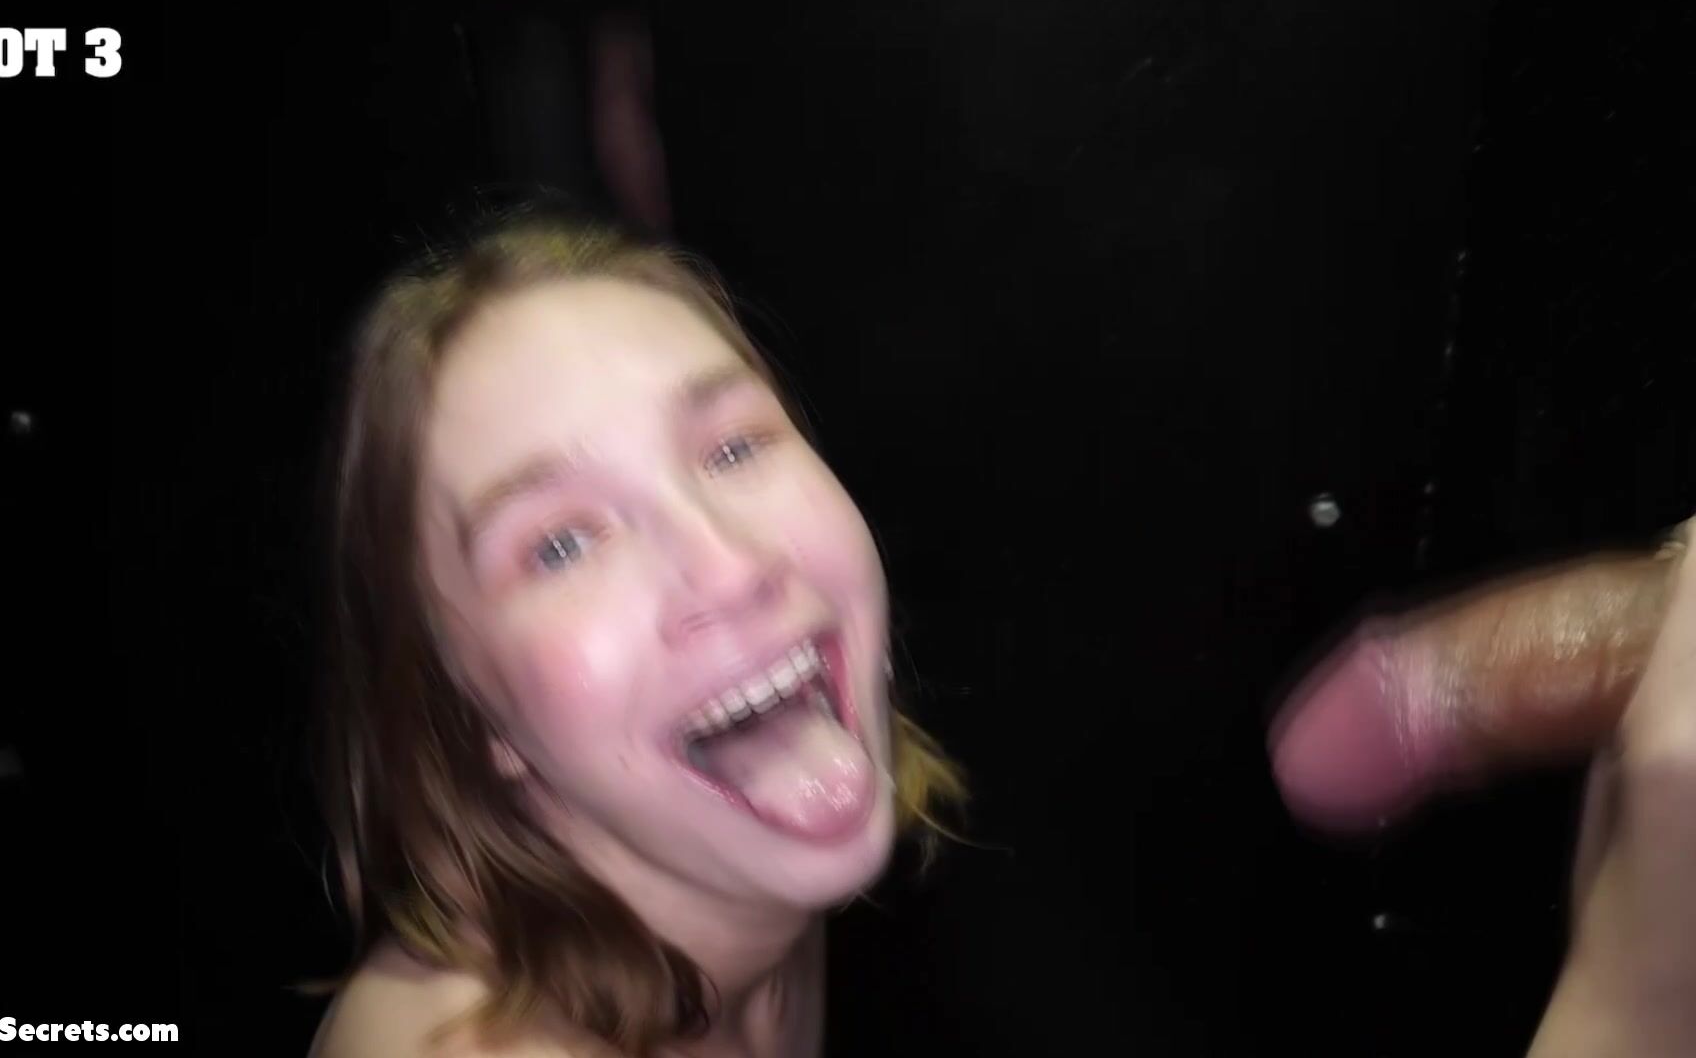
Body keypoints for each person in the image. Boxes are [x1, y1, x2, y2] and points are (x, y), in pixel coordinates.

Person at [306, 212, 1694, 1057]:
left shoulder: (734, 872)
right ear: (473, 720)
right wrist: (1641, 990)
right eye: (559, 542)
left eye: (732, 446)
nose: (725, 565)